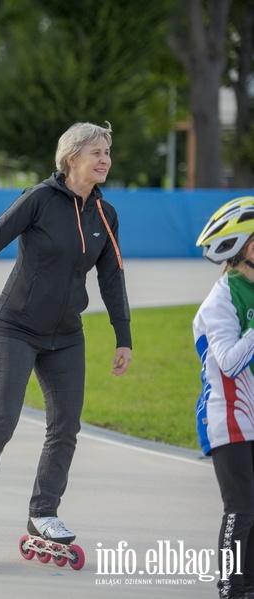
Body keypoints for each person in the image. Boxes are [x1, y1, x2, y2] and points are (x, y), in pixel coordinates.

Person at [0, 121, 132, 561]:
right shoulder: (39, 199)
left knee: (66, 426)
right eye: (96, 151)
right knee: (4, 415)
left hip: (67, 335)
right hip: (15, 325)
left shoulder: (105, 216)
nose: (105, 159)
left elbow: (112, 278)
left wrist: (123, 336)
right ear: (71, 157)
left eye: (108, 152)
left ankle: (43, 512)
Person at [193, 196, 254, 599]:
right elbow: (230, 363)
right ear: (245, 247)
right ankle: (229, 588)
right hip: (227, 417)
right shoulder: (220, 299)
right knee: (241, 509)